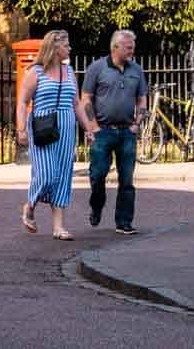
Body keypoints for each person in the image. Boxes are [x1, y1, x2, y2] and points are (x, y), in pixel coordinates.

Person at [16, 30, 94, 239]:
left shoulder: (69, 72)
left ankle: (58, 227)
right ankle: (30, 206)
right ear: (55, 47)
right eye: (66, 45)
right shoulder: (36, 72)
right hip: (43, 126)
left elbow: (76, 104)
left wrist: (88, 128)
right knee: (47, 174)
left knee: (63, 175)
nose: (69, 49)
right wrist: (21, 129)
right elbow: (23, 102)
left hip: (66, 127)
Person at [81, 29, 148, 235]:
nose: (132, 51)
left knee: (126, 180)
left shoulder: (136, 70)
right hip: (103, 132)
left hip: (127, 132)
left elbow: (142, 99)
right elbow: (86, 98)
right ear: (116, 47)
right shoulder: (97, 68)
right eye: (129, 48)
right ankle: (97, 205)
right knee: (98, 174)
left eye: (133, 47)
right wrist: (93, 127)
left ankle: (124, 222)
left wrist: (136, 125)